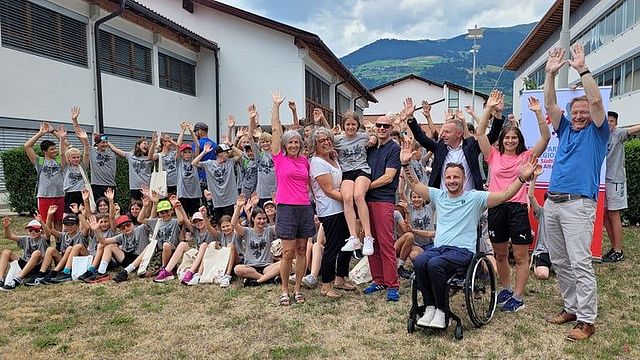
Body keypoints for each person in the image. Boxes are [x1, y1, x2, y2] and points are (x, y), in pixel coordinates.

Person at [401, 139, 538, 328]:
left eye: (456, 177)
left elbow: (505, 194)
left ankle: (442, 311)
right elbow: (415, 186)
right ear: (444, 179)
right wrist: (405, 163)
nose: (452, 181)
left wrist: (521, 178)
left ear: (464, 179)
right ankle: (431, 307)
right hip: (440, 248)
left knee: (434, 264)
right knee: (420, 261)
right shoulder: (438, 195)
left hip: (462, 252)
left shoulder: (474, 197)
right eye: (448, 177)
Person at [543, 43, 608, 341]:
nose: (580, 115)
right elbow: (550, 105)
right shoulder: (566, 128)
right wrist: (549, 74)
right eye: (576, 111)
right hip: (554, 204)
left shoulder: (598, 131)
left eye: (584, 112)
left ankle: (587, 320)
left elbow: (595, 102)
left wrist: (582, 69)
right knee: (559, 260)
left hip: (578, 205)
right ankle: (571, 307)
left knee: (580, 261)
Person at [476, 91, 551, 312]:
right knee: (500, 254)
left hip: (518, 208)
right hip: (496, 206)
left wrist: (538, 113)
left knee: (519, 256)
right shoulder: (493, 156)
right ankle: (506, 290)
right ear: (501, 141)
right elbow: (480, 132)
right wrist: (488, 109)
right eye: (506, 138)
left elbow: (545, 139)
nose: (510, 141)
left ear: (519, 140)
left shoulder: (526, 157)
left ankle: (518, 298)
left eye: (513, 138)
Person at [270, 91, 315, 306]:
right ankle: (284, 289)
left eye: (297, 142)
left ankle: (298, 289)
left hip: (304, 208)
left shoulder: (305, 161)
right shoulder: (279, 159)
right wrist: (277, 107)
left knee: (301, 250)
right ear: (285, 146)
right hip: (286, 208)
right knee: (287, 252)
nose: (294, 145)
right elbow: (276, 131)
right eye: (291, 143)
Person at [309, 127, 356, 299]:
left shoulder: (331, 158)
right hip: (330, 210)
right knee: (333, 247)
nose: (326, 142)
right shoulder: (317, 163)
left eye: (328, 139)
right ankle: (326, 285)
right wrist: (349, 198)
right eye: (322, 141)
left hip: (342, 208)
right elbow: (328, 190)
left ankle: (340, 278)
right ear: (315, 144)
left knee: (347, 243)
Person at [363, 113, 402, 302]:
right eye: (379, 125)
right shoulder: (370, 146)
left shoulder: (394, 149)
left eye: (386, 126)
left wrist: (366, 187)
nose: (381, 129)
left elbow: (389, 177)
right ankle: (378, 279)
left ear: (391, 129)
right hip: (366, 201)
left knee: (386, 243)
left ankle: (392, 284)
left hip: (383, 199)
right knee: (371, 241)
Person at [333, 110, 376, 253]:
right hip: (346, 172)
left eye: (353, 124)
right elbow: (326, 142)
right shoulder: (338, 139)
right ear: (343, 125)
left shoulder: (363, 137)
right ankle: (353, 237)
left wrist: (374, 138)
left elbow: (374, 137)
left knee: (358, 196)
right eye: (348, 124)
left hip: (362, 170)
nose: (350, 127)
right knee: (347, 198)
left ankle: (368, 237)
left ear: (358, 125)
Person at [602, 111, 640, 262]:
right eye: (607, 121)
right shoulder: (600, 135)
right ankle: (613, 248)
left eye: (612, 121)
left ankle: (619, 251)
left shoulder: (619, 134)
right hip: (602, 181)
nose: (609, 123)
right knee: (605, 215)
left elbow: (635, 129)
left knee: (614, 214)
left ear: (616, 124)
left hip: (615, 180)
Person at [24, 122, 66, 230]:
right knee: (45, 222)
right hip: (44, 197)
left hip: (60, 196)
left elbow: (67, 146)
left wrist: (54, 132)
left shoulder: (59, 159)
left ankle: (58, 244)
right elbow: (27, 146)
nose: (55, 150)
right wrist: (40, 133)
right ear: (44, 151)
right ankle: (46, 243)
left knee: (58, 221)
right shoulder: (39, 161)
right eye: (52, 149)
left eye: (55, 148)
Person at [232, 195, 281, 286]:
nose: (262, 221)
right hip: (250, 266)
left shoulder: (269, 230)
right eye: (259, 218)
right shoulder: (247, 231)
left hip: (267, 266)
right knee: (238, 269)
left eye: (264, 219)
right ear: (253, 219)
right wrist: (239, 207)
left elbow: (280, 222)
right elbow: (234, 224)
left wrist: (277, 205)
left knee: (283, 263)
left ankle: (256, 280)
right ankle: (267, 278)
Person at [192, 141, 243, 223]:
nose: (228, 154)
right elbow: (194, 163)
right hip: (217, 201)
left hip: (231, 200)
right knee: (219, 224)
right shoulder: (209, 164)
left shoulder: (230, 162)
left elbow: (240, 154)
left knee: (232, 223)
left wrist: (231, 145)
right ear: (219, 154)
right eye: (225, 152)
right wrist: (204, 152)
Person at [0, 217, 49, 291]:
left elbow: (48, 234)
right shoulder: (25, 239)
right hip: (25, 264)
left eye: (36, 230)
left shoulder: (43, 239)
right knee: (6, 252)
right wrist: (6, 228)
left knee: (37, 253)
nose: (33, 232)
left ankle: (17, 279)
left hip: (38, 267)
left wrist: (42, 222)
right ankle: (1, 279)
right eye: (30, 230)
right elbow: (9, 236)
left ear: (41, 231)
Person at [108, 134, 156, 201]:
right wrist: (105, 140)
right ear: (138, 145)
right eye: (144, 143)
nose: (146, 145)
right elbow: (114, 149)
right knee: (135, 206)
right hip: (134, 187)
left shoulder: (148, 158)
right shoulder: (130, 156)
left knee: (147, 206)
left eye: (147, 144)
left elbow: (151, 154)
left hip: (146, 187)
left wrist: (153, 143)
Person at [175, 122, 202, 217]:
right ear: (181, 153)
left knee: (195, 216)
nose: (187, 154)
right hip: (183, 193)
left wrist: (191, 131)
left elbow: (197, 145)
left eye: (189, 152)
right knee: (183, 216)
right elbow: (178, 145)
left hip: (195, 193)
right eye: (185, 152)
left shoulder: (194, 160)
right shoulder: (179, 161)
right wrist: (182, 131)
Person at [528, 173, 551, 280]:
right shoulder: (542, 212)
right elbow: (530, 196)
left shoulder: (566, 214)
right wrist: (535, 178)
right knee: (543, 275)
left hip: (561, 252)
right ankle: (537, 261)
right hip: (544, 252)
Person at [193, 121, 218, 194]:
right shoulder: (215, 144)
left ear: (200, 131)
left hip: (201, 177)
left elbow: (193, 160)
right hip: (213, 177)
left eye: (195, 131)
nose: (195, 134)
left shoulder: (198, 144)